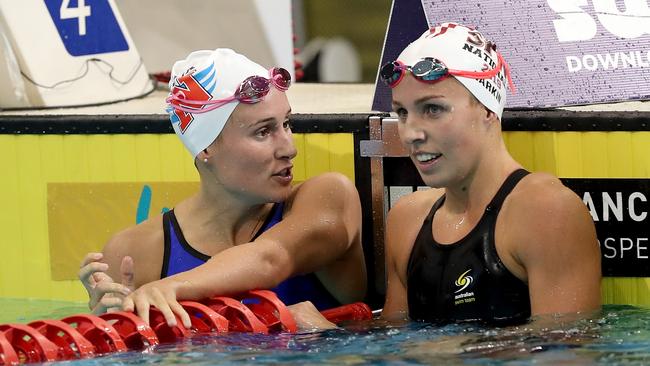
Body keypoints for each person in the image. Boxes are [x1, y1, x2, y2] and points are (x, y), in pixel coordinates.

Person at [78, 48, 367, 328]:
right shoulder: (135, 254)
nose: (289, 148)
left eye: (286, 123)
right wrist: (116, 327)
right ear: (205, 146)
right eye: (263, 131)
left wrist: (168, 288)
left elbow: (269, 259)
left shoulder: (327, 198)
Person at [378, 22, 601, 325]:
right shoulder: (406, 220)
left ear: (487, 109)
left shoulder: (545, 212)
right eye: (402, 112)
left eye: (432, 109)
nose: (410, 133)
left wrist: (445, 354)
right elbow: (394, 347)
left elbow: (566, 353)